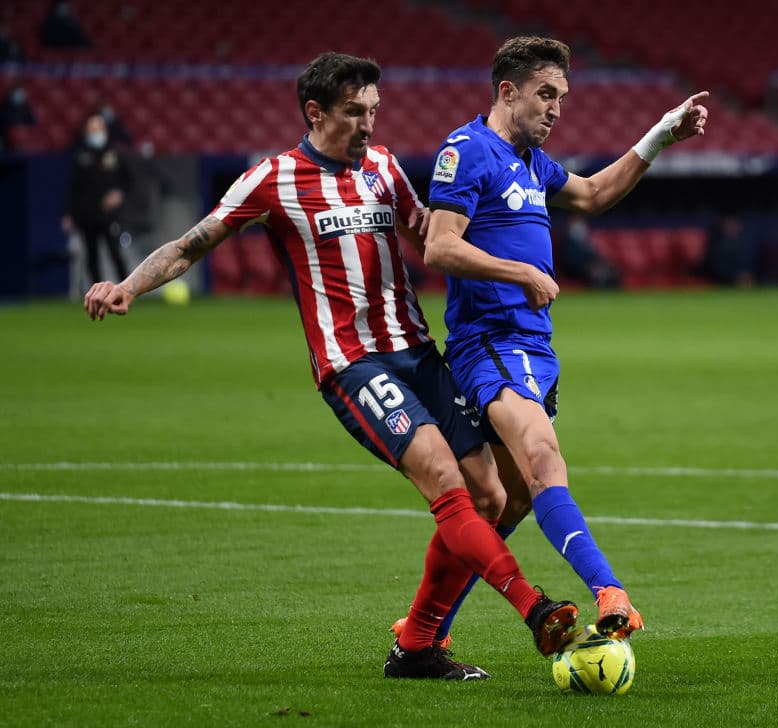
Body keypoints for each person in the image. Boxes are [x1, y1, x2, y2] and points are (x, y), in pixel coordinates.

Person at [83, 52, 578, 681]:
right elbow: (191, 244)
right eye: (353, 112)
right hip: (353, 363)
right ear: (315, 113)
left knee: (491, 495)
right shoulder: (274, 178)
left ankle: (417, 648)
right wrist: (128, 285)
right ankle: (534, 608)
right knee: (442, 478)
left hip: (418, 351)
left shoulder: (385, 168)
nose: (368, 124)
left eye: (373, 110)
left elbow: (433, 236)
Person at [392, 36, 708, 648]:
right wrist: (522, 273)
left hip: (534, 346)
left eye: (562, 96)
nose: (556, 108)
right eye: (545, 94)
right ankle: (609, 591)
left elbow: (593, 194)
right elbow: (440, 246)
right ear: (507, 91)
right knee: (543, 459)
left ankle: (424, 631)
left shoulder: (532, 162)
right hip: (489, 343)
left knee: (505, 503)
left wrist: (661, 135)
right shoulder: (468, 151)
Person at [63, 113, 132, 285]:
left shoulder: (114, 154)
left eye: (99, 128)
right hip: (87, 215)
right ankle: (97, 290)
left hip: (109, 215)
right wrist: (67, 213)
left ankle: (127, 288)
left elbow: (128, 180)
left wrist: (119, 194)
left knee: (115, 252)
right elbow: (72, 188)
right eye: (92, 129)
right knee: (92, 256)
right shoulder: (80, 156)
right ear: (87, 132)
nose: (96, 133)